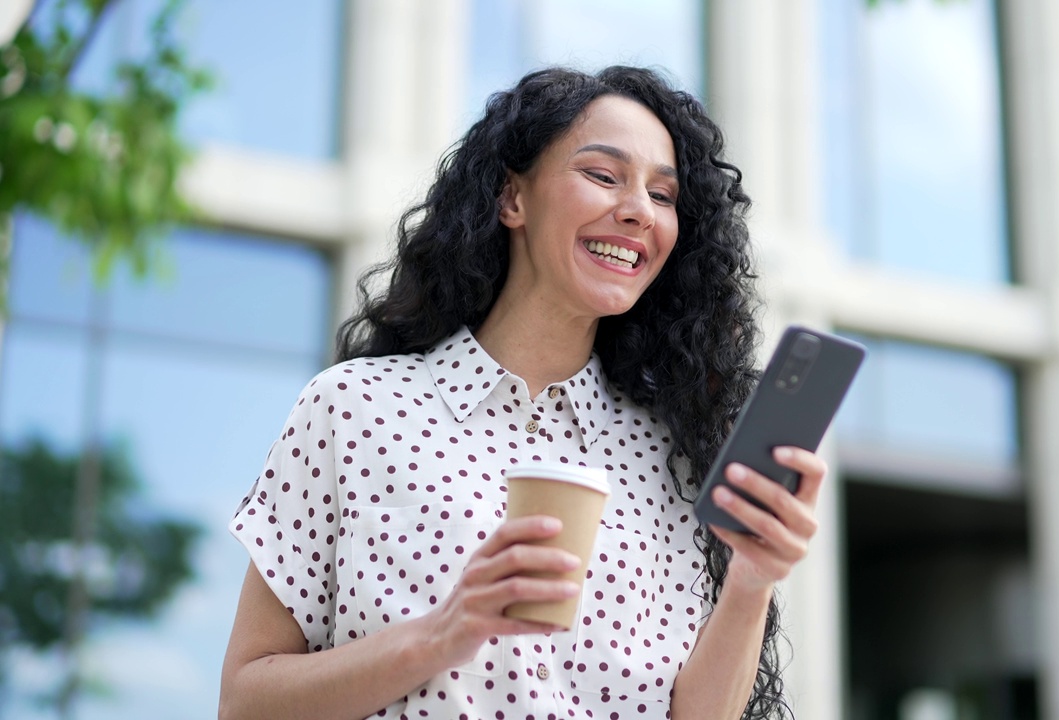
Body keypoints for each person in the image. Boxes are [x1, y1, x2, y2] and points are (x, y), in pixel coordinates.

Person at [219, 65, 827, 720]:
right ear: (513, 198)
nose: (637, 211)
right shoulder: (356, 409)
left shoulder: (670, 457)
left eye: (663, 195)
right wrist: (443, 633)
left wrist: (751, 581)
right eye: (603, 175)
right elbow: (246, 701)